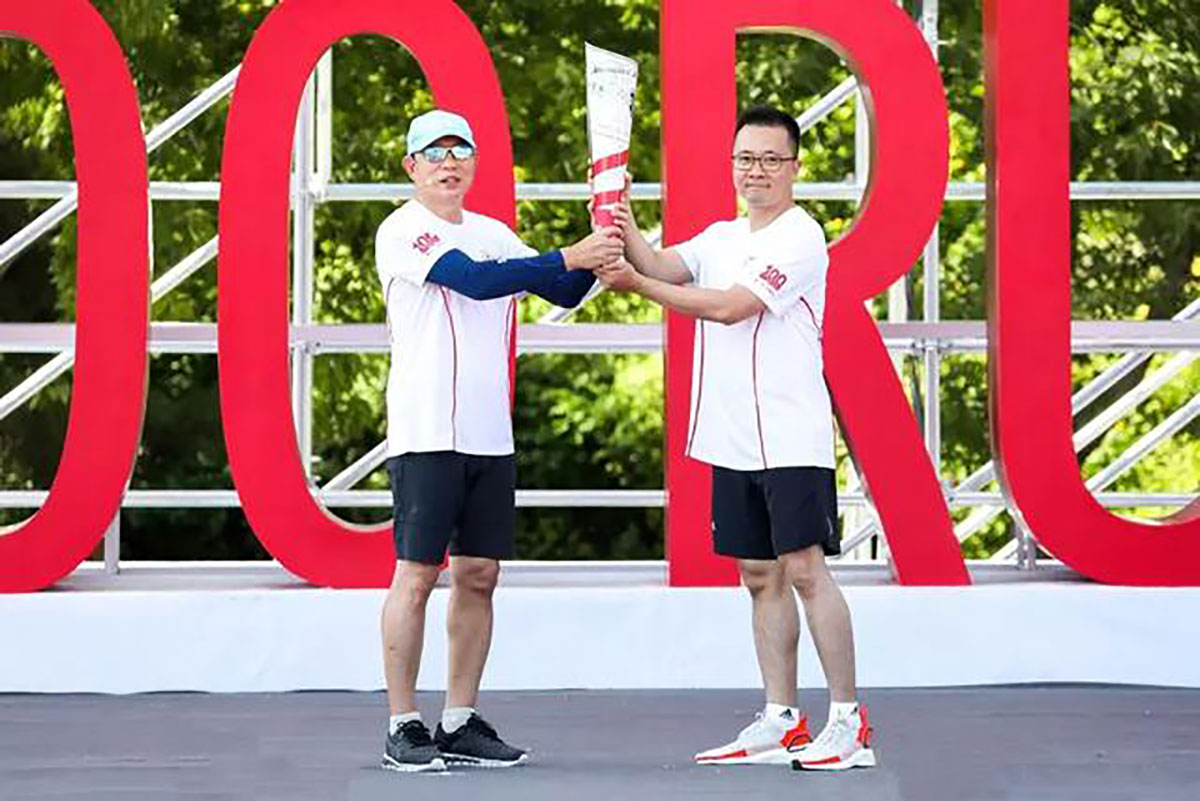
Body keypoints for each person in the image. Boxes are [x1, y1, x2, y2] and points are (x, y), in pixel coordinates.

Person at [596, 105, 875, 771]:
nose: (757, 171)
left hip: (790, 434)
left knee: (805, 570)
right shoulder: (721, 235)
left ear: (795, 168)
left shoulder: (801, 236)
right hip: (734, 436)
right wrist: (619, 216)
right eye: (746, 158)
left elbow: (728, 307)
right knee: (758, 575)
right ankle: (782, 718)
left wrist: (635, 283)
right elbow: (663, 263)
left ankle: (849, 722)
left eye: (771, 160)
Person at [375, 109, 623, 772]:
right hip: (427, 430)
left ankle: (459, 720)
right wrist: (569, 255)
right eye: (434, 153)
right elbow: (477, 282)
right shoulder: (402, 229)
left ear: (474, 162)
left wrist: (608, 241)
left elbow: (561, 287)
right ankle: (402, 723)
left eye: (459, 151)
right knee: (418, 574)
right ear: (412, 167)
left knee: (479, 575)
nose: (448, 163)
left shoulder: (494, 232)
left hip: (488, 433)